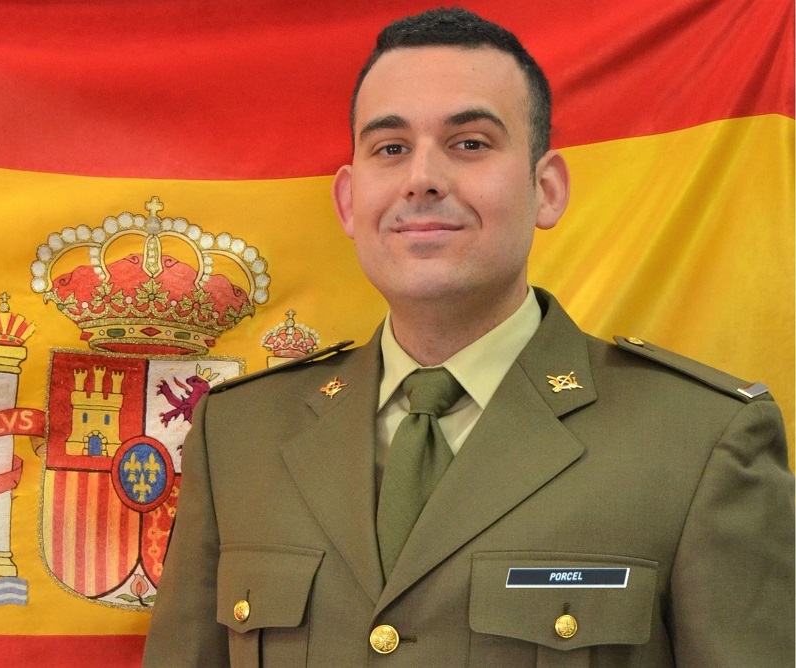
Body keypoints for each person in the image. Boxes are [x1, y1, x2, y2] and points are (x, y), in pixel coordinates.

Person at [143, 8, 794, 666]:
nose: (422, 178)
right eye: (390, 148)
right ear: (348, 201)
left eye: (470, 144)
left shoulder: (700, 443)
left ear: (546, 190)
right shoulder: (240, 436)